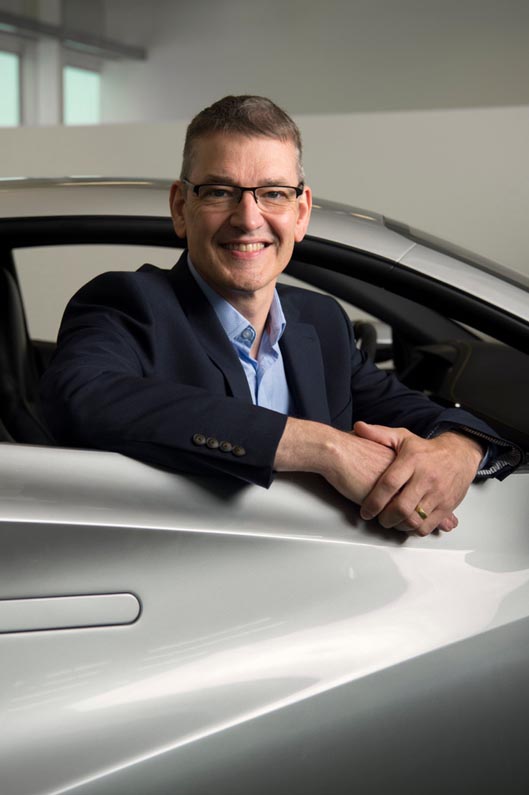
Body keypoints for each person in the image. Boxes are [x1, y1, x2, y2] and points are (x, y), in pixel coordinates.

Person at [40, 95, 521, 536]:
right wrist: (322, 447)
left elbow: (410, 409)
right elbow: (81, 398)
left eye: (272, 193)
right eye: (220, 191)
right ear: (181, 208)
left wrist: (461, 449)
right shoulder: (128, 304)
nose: (249, 218)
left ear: (301, 212)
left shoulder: (321, 322)